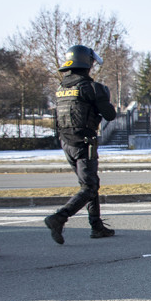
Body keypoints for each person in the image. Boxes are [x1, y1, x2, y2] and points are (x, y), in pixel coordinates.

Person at [43, 45, 116, 244]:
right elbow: (110, 114)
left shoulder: (61, 88)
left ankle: (96, 226)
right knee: (90, 187)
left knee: (88, 184)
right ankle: (60, 217)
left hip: (66, 142)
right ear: (87, 63)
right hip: (84, 142)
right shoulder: (91, 88)